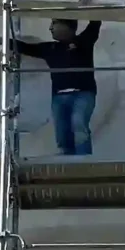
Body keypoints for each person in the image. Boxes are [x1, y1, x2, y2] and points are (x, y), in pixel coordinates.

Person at [18, 15, 102, 156]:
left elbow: (95, 22)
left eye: (54, 23)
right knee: (62, 132)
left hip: (82, 94)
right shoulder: (51, 48)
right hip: (59, 97)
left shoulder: (83, 42)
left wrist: (89, 6)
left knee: (78, 122)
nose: (50, 27)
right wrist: (3, 41)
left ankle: (83, 160)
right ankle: (67, 160)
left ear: (67, 25)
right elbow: (25, 48)